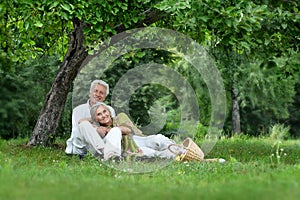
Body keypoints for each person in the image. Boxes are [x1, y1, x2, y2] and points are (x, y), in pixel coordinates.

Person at [65, 80, 117, 158]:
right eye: (95, 91)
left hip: (102, 140)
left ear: (104, 97)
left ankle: (106, 153)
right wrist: (96, 129)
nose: (98, 94)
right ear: (90, 93)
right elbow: (78, 132)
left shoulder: (109, 110)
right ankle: (104, 152)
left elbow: (112, 128)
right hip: (82, 147)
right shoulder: (78, 110)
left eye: (101, 93)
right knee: (84, 124)